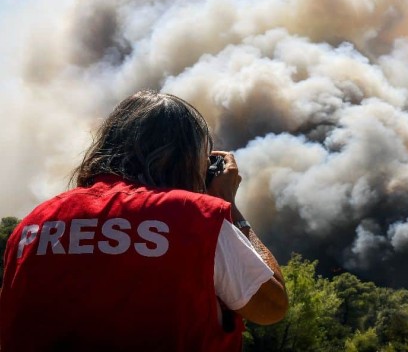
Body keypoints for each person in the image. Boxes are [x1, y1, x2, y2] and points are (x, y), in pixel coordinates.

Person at [0, 90, 288, 351]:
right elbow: (271, 307)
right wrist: (229, 206)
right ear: (187, 158)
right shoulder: (196, 219)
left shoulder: (33, 225)